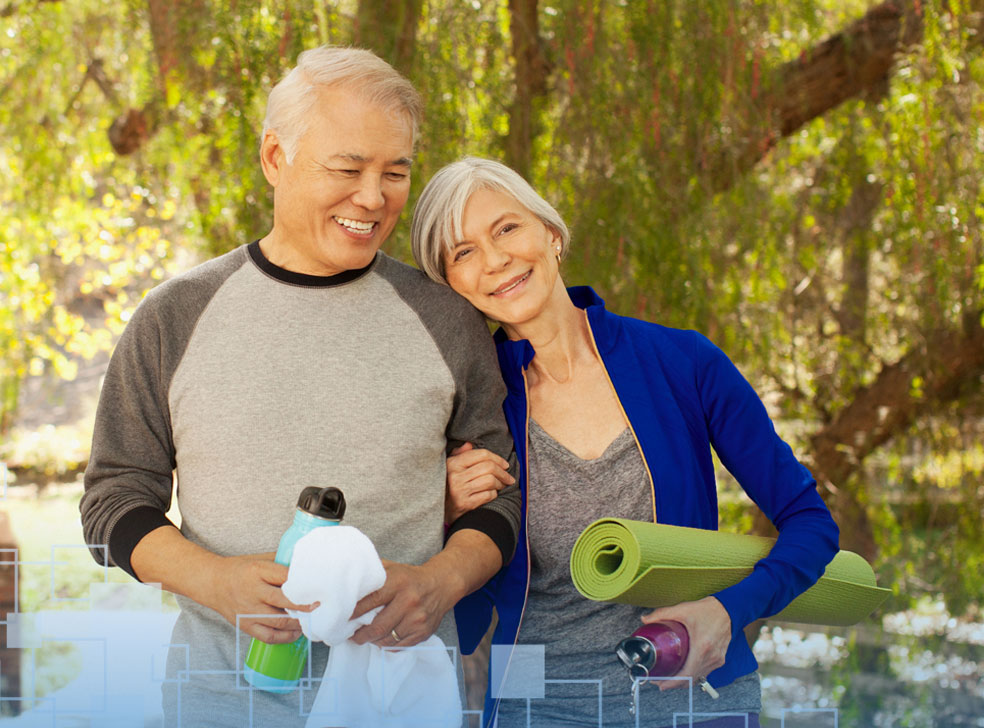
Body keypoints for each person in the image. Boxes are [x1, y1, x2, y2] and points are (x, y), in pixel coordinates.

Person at [80, 49, 522, 727]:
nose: (373, 198)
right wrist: (215, 580)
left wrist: (443, 582)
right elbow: (113, 500)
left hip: (401, 701)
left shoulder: (446, 319)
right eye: (347, 169)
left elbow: (504, 499)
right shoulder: (175, 317)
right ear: (275, 158)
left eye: (394, 172)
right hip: (220, 706)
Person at [410, 157, 842, 728]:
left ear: (551, 234)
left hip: (699, 702)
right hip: (535, 703)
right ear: (453, 287)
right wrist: (437, 512)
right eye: (463, 253)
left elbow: (811, 522)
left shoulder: (683, 362)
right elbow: (438, 604)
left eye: (506, 228)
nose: (495, 260)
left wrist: (727, 613)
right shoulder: (468, 412)